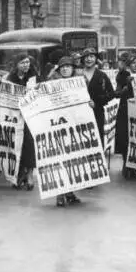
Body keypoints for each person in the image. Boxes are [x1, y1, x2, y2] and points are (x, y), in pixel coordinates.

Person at [47, 57, 83, 207]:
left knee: (73, 160)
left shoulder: (80, 83)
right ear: (58, 69)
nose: (65, 69)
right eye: (62, 67)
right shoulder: (51, 84)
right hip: (58, 126)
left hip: (75, 126)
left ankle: (69, 192)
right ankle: (60, 194)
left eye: (68, 66)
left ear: (73, 68)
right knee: (60, 159)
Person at [5, 54, 38, 190]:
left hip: (30, 117)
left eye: (27, 62)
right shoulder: (10, 78)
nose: (26, 65)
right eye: (23, 62)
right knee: (16, 145)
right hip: (15, 116)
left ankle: (30, 175)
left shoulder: (34, 78)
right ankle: (19, 174)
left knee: (29, 146)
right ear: (17, 64)